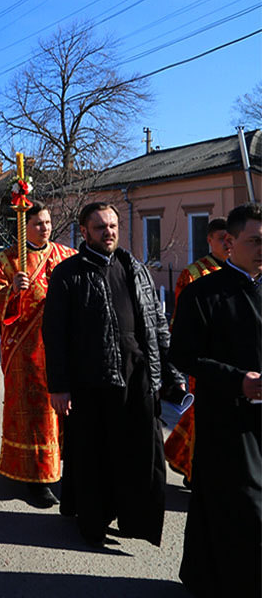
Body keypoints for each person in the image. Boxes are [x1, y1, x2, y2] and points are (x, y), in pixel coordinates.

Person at [43, 201, 184, 547]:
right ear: (85, 231)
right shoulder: (69, 273)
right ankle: (93, 522)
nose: (108, 233)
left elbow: (156, 325)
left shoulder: (135, 268)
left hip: (138, 378)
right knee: (96, 455)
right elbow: (55, 335)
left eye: (113, 227)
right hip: (92, 381)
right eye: (100, 227)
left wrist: (170, 371)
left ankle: (136, 521)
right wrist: (59, 387)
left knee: (140, 453)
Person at [169, 203, 260, 597]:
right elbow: (183, 356)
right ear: (229, 241)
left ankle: (206, 572)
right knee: (241, 503)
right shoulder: (202, 293)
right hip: (227, 416)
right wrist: (235, 380)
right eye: (255, 240)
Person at [0, 202, 76, 507]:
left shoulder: (66, 255)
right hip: (25, 349)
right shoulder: (8, 258)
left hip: (62, 347)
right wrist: (11, 291)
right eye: (37, 223)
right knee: (35, 414)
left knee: (64, 412)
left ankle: (60, 470)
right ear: (24, 226)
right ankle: (33, 476)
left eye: (47, 222)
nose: (44, 228)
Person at [163, 217, 230, 485]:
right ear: (209, 240)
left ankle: (179, 456)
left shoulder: (245, 270)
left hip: (236, 357)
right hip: (205, 358)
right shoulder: (193, 274)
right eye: (221, 238)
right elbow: (182, 322)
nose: (227, 243)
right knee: (204, 416)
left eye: (230, 238)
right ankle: (194, 471)